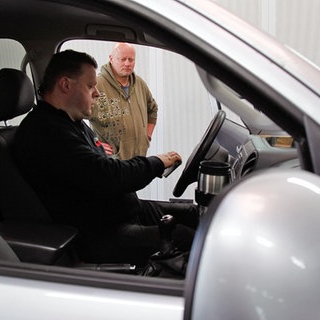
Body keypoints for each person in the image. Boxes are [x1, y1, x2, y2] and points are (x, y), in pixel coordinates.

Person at [13, 50, 198, 266]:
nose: (97, 93)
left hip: (121, 212)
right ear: (65, 85)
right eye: (91, 86)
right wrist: (156, 163)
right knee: (188, 238)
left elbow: (102, 166)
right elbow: (107, 174)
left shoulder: (71, 123)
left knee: (194, 214)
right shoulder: (46, 132)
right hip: (100, 232)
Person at [90, 42, 158, 160]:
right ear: (111, 58)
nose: (127, 63)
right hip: (111, 163)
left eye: (131, 60)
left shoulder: (139, 83)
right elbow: (73, 116)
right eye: (122, 59)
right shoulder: (96, 85)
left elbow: (153, 109)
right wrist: (92, 143)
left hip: (139, 160)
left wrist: (146, 137)